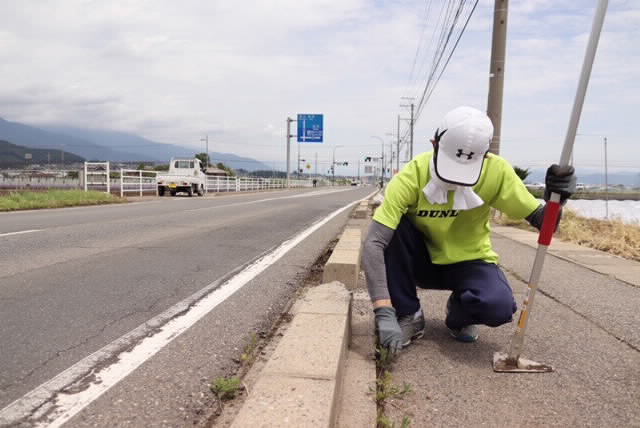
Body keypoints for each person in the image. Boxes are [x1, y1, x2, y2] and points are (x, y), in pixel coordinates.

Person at [362, 106, 575, 353]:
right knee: (392, 227)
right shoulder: (413, 174)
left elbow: (543, 221)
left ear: (485, 156)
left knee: (498, 307)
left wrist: (556, 198)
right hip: (418, 261)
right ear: (434, 144)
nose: (455, 179)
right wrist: (384, 310)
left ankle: (459, 313)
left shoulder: (498, 171)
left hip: (469, 261)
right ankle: (409, 313)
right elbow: (374, 243)